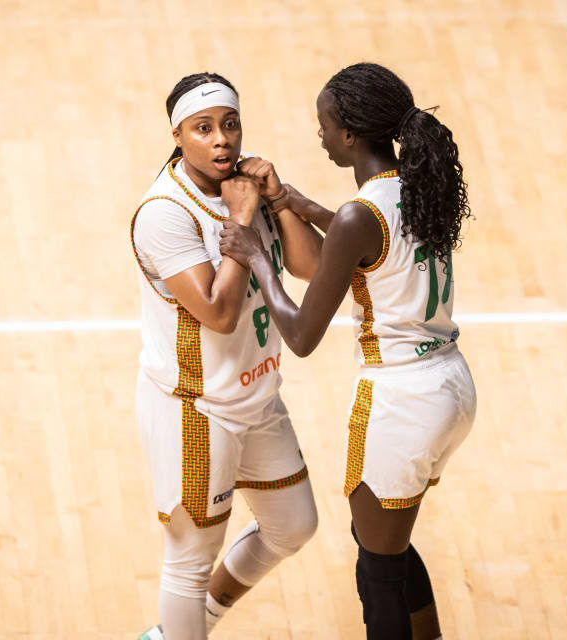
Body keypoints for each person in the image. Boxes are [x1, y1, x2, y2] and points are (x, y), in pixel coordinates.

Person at [219, 62, 476, 639]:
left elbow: (303, 335)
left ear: (351, 134)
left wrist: (257, 256)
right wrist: (297, 204)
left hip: (402, 399)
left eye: (325, 124)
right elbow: (373, 249)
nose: (320, 133)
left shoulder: (362, 215)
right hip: (450, 385)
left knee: (377, 569)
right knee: (385, 541)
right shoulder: (413, 186)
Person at [132, 72, 323, 640]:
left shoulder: (247, 185)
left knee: (294, 527)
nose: (222, 140)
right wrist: (241, 220)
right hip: (195, 409)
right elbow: (218, 313)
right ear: (178, 135)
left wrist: (280, 199)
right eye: (204, 128)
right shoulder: (164, 213)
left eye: (230, 124)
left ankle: (186, 628)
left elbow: (310, 266)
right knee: (190, 559)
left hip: (257, 398)